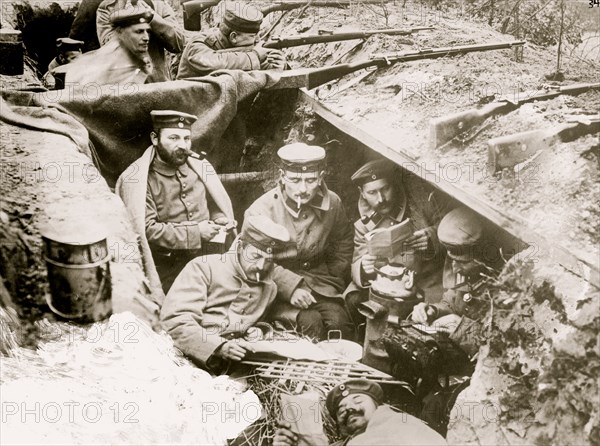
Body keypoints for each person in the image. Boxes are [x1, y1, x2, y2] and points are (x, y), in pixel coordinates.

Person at [116, 110, 235, 295]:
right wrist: (196, 232)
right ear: (155, 139)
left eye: (186, 138)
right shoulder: (137, 180)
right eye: (173, 138)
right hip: (169, 267)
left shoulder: (199, 167)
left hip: (208, 256)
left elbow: (214, 204)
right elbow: (146, 230)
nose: (182, 145)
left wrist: (219, 217)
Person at [244, 143, 355, 341]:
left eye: (311, 180)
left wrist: (335, 276)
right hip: (272, 286)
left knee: (340, 323)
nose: (302, 189)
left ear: (321, 177)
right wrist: (290, 288)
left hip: (320, 282)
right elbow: (250, 261)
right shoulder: (262, 210)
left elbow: (343, 241)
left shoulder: (333, 203)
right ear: (282, 176)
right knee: (309, 324)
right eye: (295, 179)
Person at [160, 215, 290, 373]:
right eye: (255, 257)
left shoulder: (269, 287)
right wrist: (219, 346)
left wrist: (259, 331)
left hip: (236, 368)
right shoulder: (203, 267)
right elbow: (175, 322)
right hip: (188, 360)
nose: (261, 266)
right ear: (241, 247)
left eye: (268, 260)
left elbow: (263, 322)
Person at [344, 159, 448, 331]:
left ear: (394, 184)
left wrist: (432, 237)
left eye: (385, 189)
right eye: (372, 192)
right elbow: (357, 261)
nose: (381, 199)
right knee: (354, 299)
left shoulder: (421, 203)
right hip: (386, 283)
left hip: (425, 280)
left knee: (430, 318)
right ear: (361, 193)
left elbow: (453, 226)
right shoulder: (363, 225)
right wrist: (364, 267)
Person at [411, 206, 491, 357]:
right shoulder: (468, 274)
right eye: (452, 260)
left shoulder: (505, 286)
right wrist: (433, 310)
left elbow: (501, 348)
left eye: (462, 262)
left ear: (482, 256)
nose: (454, 269)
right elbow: (451, 303)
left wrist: (462, 327)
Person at [273, 379, 447, 446]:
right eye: (341, 409)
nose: (349, 408)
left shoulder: (396, 423)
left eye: (358, 400)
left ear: (379, 406)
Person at [176, 1, 286, 78]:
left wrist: (276, 65)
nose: (257, 40)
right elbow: (215, 63)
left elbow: (255, 67)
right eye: (252, 36)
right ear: (233, 37)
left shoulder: (244, 52)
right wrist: (255, 56)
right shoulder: (198, 44)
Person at [61, 8, 158, 85]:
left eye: (147, 31)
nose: (146, 38)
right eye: (139, 31)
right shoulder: (98, 69)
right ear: (120, 32)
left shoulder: (142, 64)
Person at [96, 0, 185, 82]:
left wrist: (152, 18)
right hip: (124, 86)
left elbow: (178, 43)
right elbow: (109, 49)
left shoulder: (159, 5)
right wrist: (129, 20)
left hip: (157, 84)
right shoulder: (108, 7)